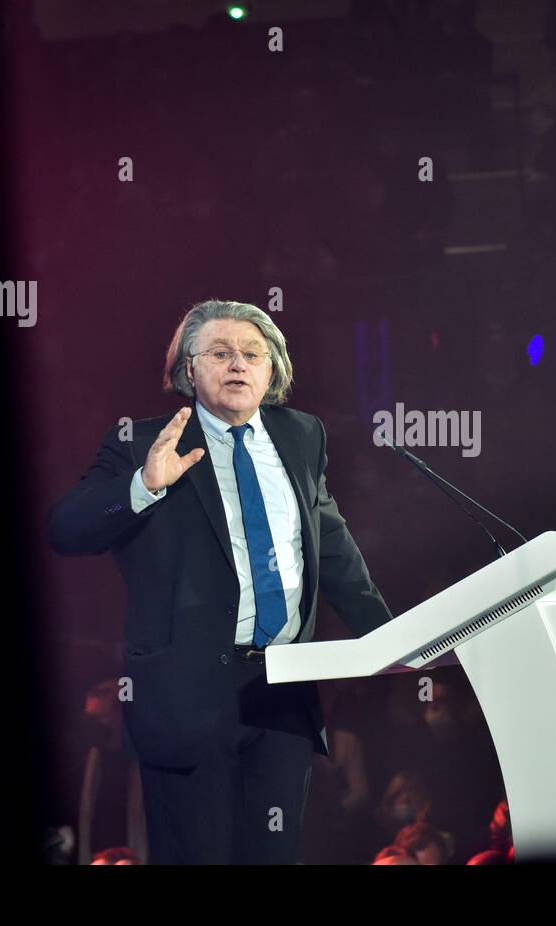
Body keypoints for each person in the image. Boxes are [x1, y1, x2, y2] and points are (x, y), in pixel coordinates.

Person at [48, 299, 393, 864]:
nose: (238, 364)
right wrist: (141, 486)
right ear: (189, 369)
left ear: (271, 369)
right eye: (220, 353)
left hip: (284, 693)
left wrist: (391, 639)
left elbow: (334, 553)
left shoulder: (303, 435)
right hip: (186, 700)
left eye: (252, 354)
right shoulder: (143, 441)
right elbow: (65, 529)